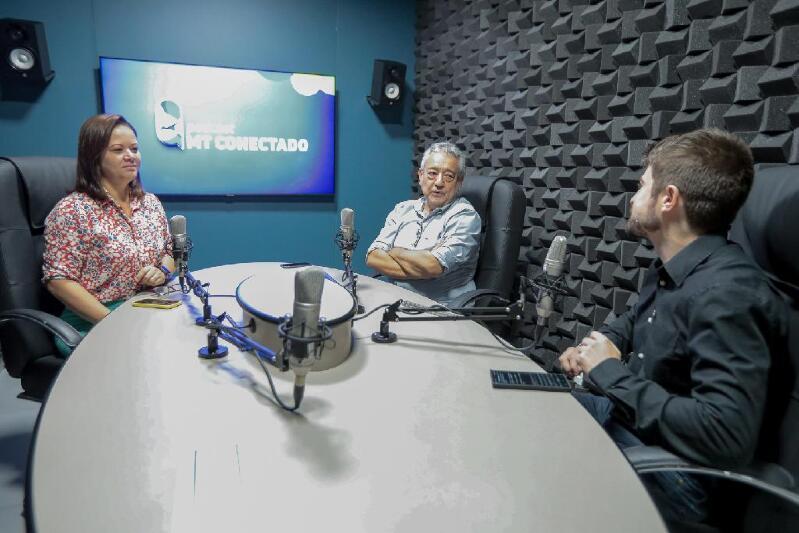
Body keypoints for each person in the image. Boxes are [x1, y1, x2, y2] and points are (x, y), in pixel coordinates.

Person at [558, 129, 787, 525]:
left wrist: (608, 372)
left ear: (668, 199)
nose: (633, 197)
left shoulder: (727, 293)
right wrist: (596, 347)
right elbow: (637, 319)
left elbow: (724, 434)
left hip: (679, 475)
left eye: (641, 185)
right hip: (638, 428)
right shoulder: (676, 267)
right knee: (533, 407)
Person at [43, 114, 175, 357]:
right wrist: (113, 322)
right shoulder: (73, 210)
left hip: (145, 308)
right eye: (118, 150)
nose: (130, 155)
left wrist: (162, 271)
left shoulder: (150, 203)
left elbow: (169, 252)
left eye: (134, 148)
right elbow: (58, 281)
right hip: (93, 319)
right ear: (95, 157)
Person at [366, 142, 481, 307]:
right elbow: (373, 257)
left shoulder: (465, 217)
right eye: (432, 173)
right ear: (420, 176)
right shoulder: (402, 209)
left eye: (449, 176)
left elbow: (433, 266)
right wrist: (422, 265)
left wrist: (395, 252)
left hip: (439, 308)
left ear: (459, 182)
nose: (439, 182)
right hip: (395, 300)